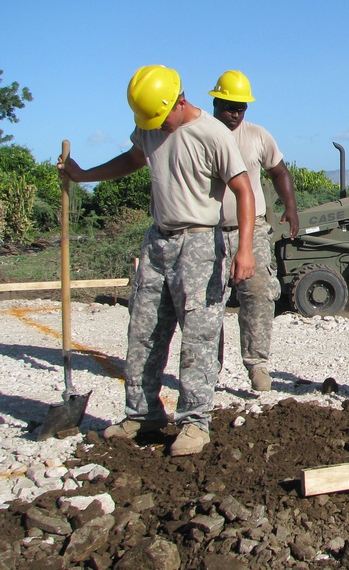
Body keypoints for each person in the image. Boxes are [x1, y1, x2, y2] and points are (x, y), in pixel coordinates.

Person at [59, 65, 255, 456]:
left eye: (161, 118)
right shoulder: (150, 125)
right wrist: (84, 176)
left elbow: (244, 190)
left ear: (180, 101)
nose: (156, 127)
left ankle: (194, 423)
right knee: (144, 329)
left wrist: (245, 249)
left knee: (199, 335)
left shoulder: (213, 135)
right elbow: (134, 158)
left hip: (200, 240)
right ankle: (143, 413)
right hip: (158, 240)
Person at [210, 70, 299, 393]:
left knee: (259, 294)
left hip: (253, 229)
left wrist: (290, 207)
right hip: (209, 232)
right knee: (208, 302)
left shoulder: (258, 136)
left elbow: (278, 171)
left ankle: (257, 365)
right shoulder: (200, 134)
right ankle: (208, 371)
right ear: (216, 103)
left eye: (241, 108)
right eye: (229, 107)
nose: (235, 114)